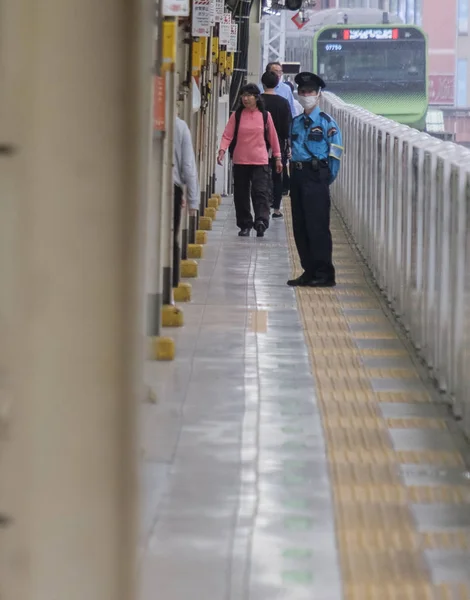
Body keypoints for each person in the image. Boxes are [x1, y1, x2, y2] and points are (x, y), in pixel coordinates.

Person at [287, 72, 343, 288]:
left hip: (316, 176)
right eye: (302, 92)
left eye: (310, 91)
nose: (305, 95)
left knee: (317, 226)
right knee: (300, 226)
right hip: (298, 175)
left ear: (318, 94)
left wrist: (324, 179)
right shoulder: (296, 123)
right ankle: (308, 271)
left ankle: (324, 273)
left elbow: (335, 155)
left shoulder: (328, 123)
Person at [217, 83, 282, 238]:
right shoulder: (237, 115)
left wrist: (278, 157)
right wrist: (222, 150)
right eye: (243, 95)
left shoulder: (265, 116)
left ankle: (261, 222)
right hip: (240, 160)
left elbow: (273, 137)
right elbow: (228, 135)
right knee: (241, 195)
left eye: (249, 96)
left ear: (256, 98)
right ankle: (245, 224)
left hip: (260, 160)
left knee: (261, 193)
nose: (245, 99)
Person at [261, 70, 292, 219]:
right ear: (277, 84)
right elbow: (287, 127)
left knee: (261, 176)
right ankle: (276, 209)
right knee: (277, 176)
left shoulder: (258, 101)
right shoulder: (283, 102)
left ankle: (262, 206)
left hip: (259, 143)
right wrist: (286, 142)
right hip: (278, 144)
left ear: (262, 83)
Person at [173, 116, 199, 286]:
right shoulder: (180, 126)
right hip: (172, 189)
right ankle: (171, 283)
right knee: (171, 238)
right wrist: (193, 201)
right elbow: (188, 166)